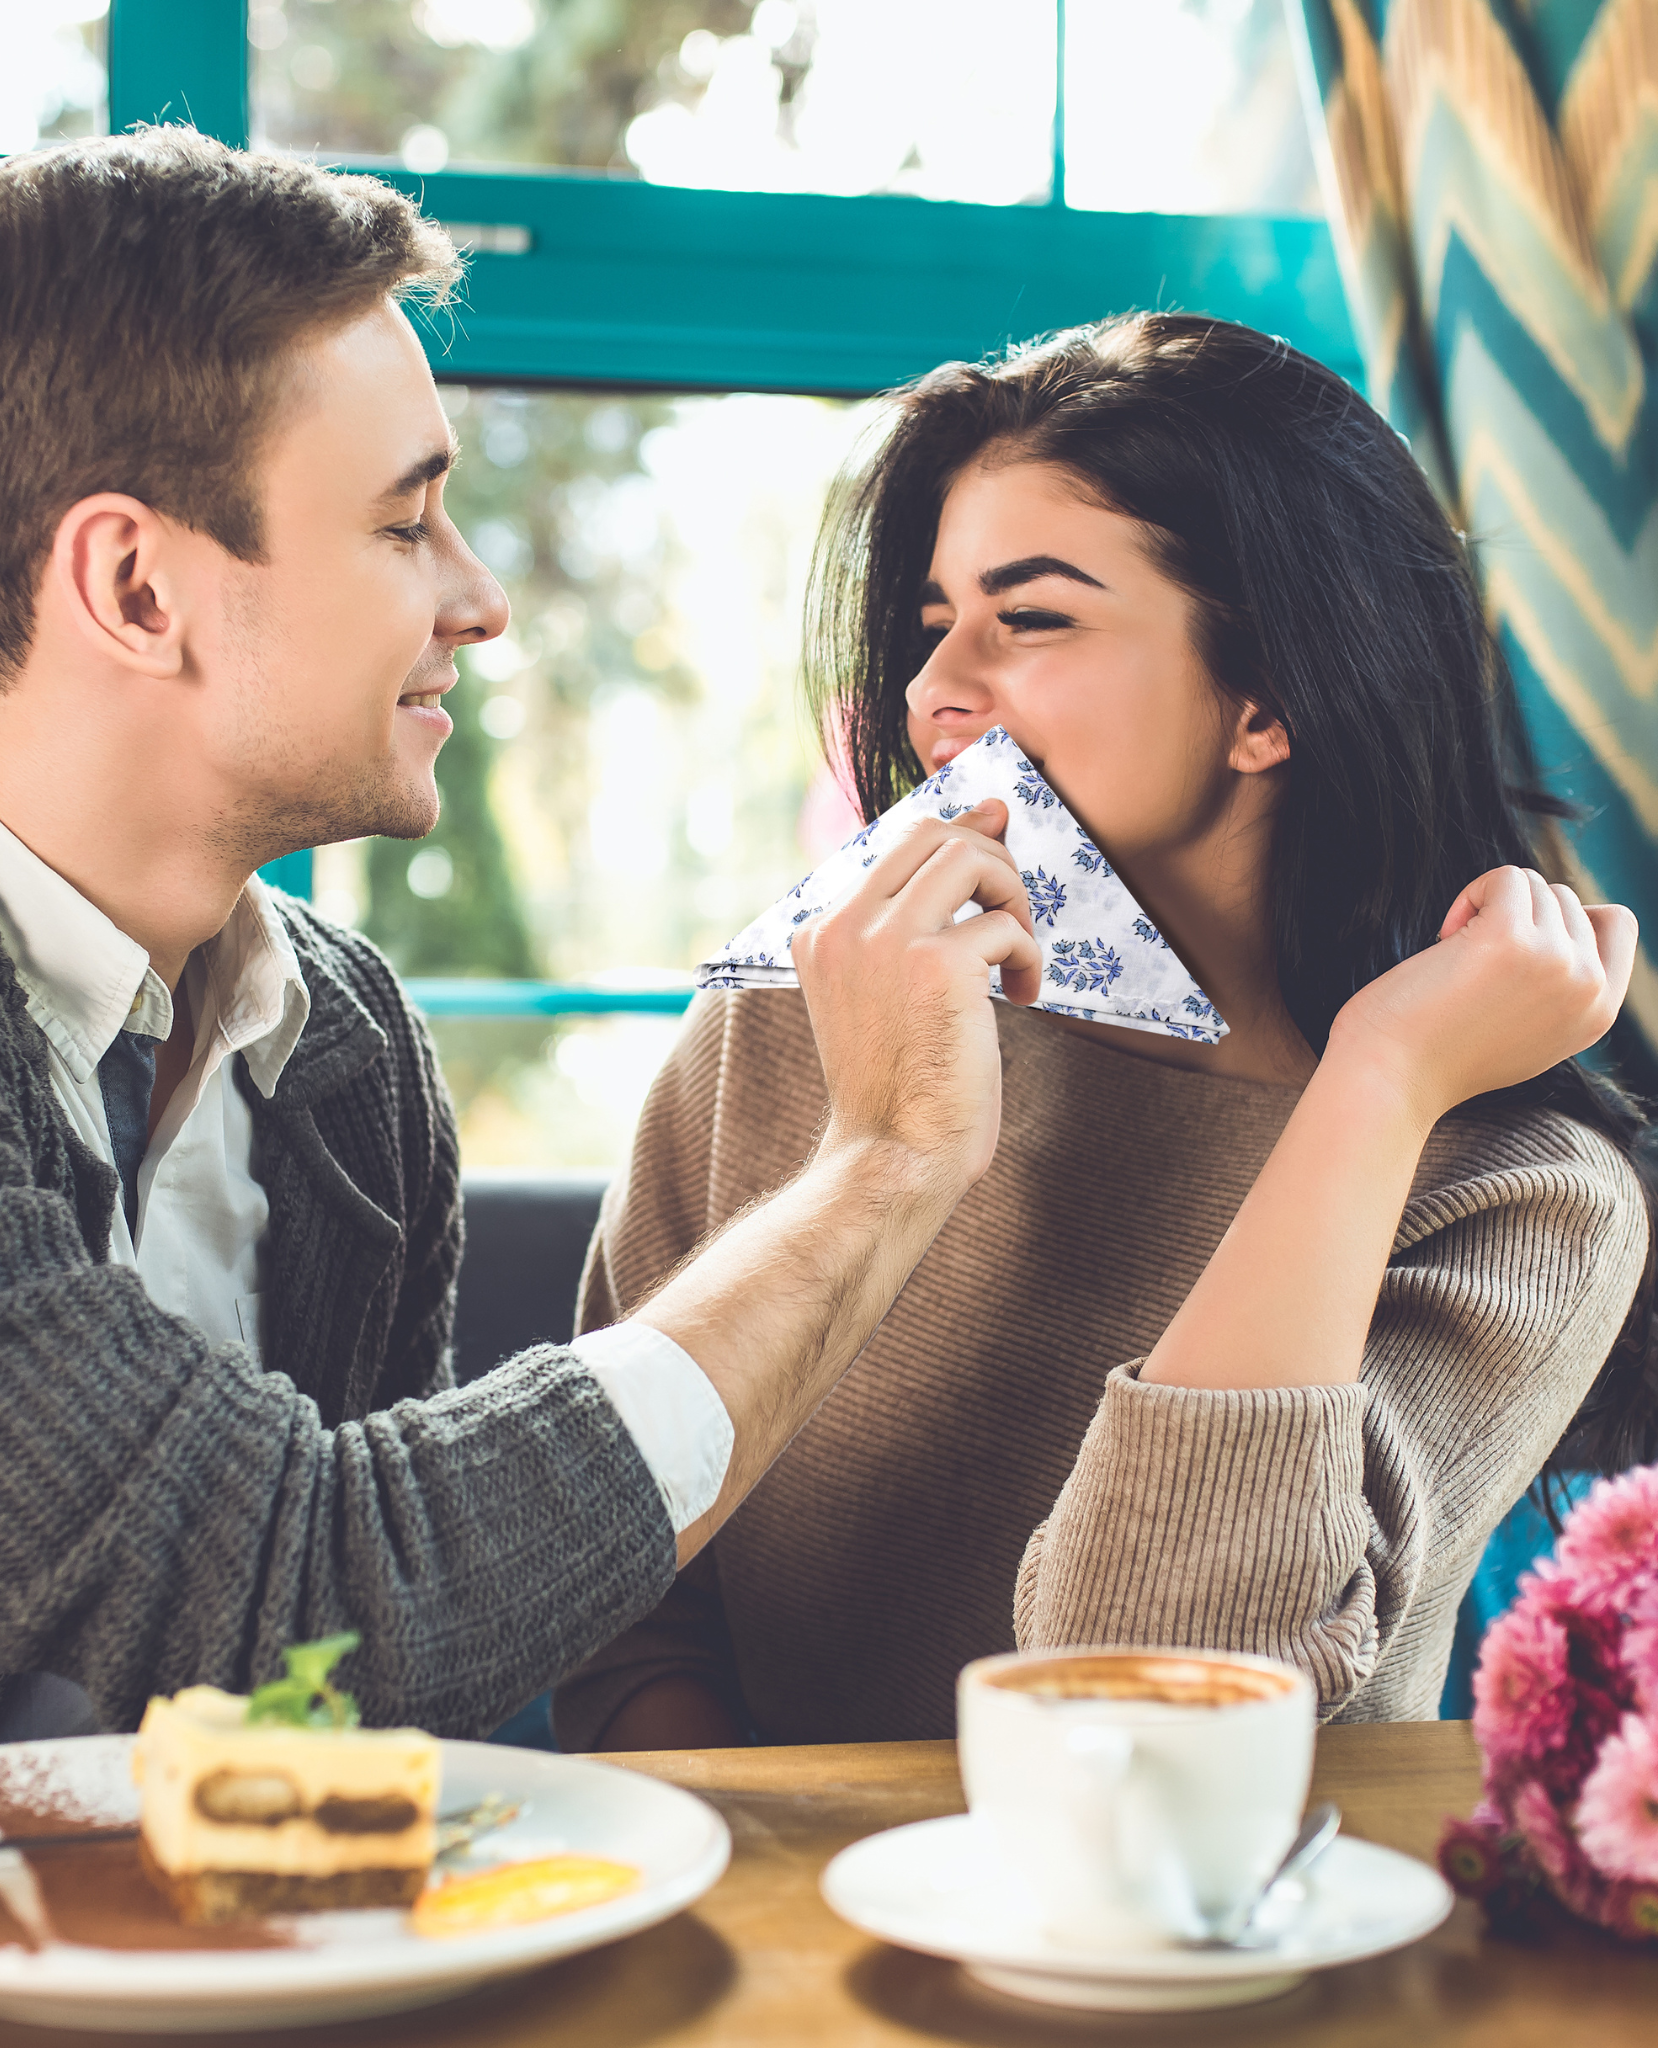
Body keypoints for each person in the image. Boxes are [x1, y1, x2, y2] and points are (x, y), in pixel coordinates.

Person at [0, 130, 1046, 1782]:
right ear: (139, 587)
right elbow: (305, 1605)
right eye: (403, 524)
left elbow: (364, 1720)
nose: (480, 597)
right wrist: (877, 1163)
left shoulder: (344, 1039)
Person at [555, 312, 1652, 1752]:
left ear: (1268, 701)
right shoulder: (793, 1029)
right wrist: (770, 1906)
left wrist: (1378, 1084)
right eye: (934, 619)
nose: (935, 691)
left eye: (1033, 616)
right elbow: (612, 1586)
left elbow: (1152, 1707)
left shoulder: (1526, 1196)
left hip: (1223, 1962)